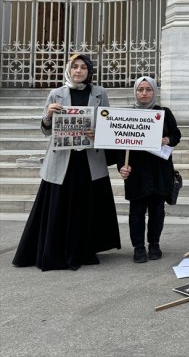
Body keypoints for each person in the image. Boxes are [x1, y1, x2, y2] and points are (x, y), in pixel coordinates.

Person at [12, 54, 121, 270]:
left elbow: (109, 127)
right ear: (69, 70)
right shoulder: (56, 94)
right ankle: (55, 250)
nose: (79, 71)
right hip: (62, 161)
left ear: (89, 71)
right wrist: (48, 116)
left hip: (88, 161)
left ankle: (83, 250)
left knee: (85, 205)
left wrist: (96, 132)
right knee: (58, 206)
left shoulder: (99, 93)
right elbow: (45, 129)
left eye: (83, 67)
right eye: (75, 67)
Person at [117, 77, 181, 263]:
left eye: (148, 89)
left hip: (160, 170)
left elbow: (176, 135)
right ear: (135, 92)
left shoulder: (164, 113)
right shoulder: (127, 116)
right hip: (136, 171)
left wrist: (167, 140)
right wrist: (122, 166)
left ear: (154, 92)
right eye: (140, 89)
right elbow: (118, 144)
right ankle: (138, 247)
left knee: (157, 210)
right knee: (136, 211)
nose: (144, 93)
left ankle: (154, 244)